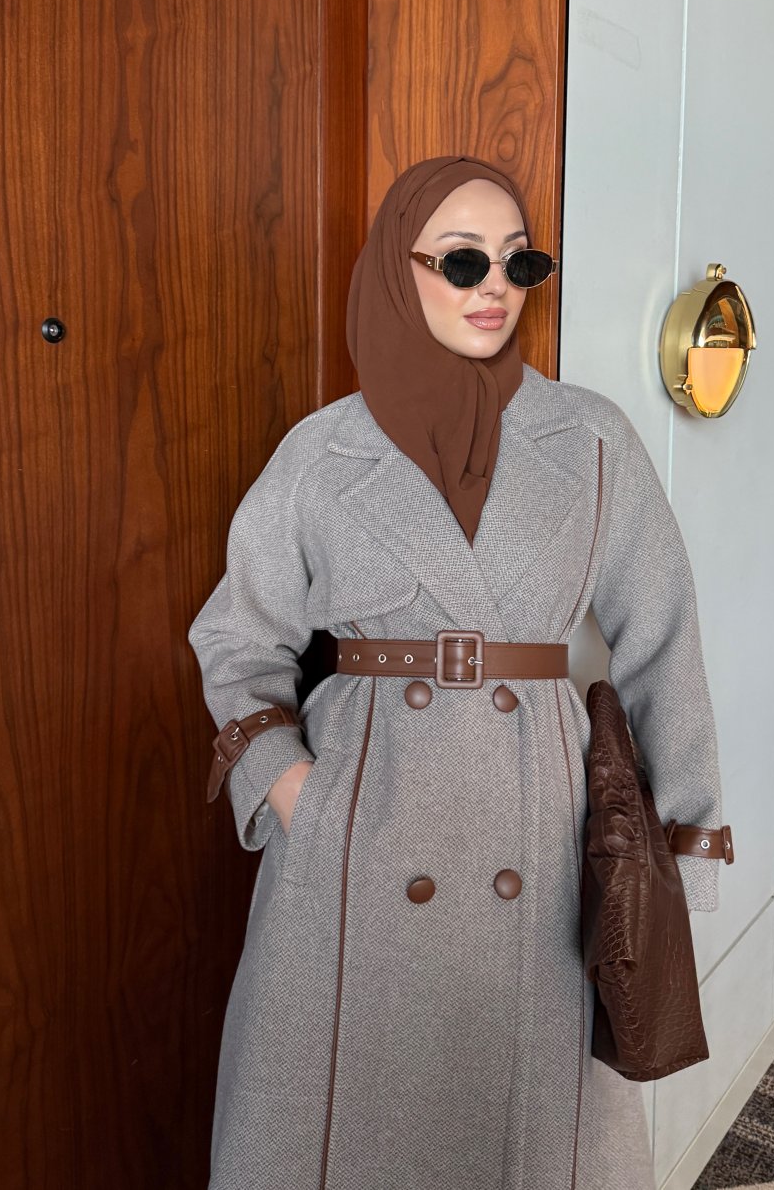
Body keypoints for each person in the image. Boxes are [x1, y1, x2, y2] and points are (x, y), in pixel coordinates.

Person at [188, 154, 724, 1190]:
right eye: (464, 260)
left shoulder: (592, 440)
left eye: (519, 262)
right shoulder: (321, 453)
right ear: (400, 267)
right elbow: (237, 638)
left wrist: (682, 846)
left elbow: (665, 639)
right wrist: (297, 794)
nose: (496, 287)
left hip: (537, 834)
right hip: (358, 835)